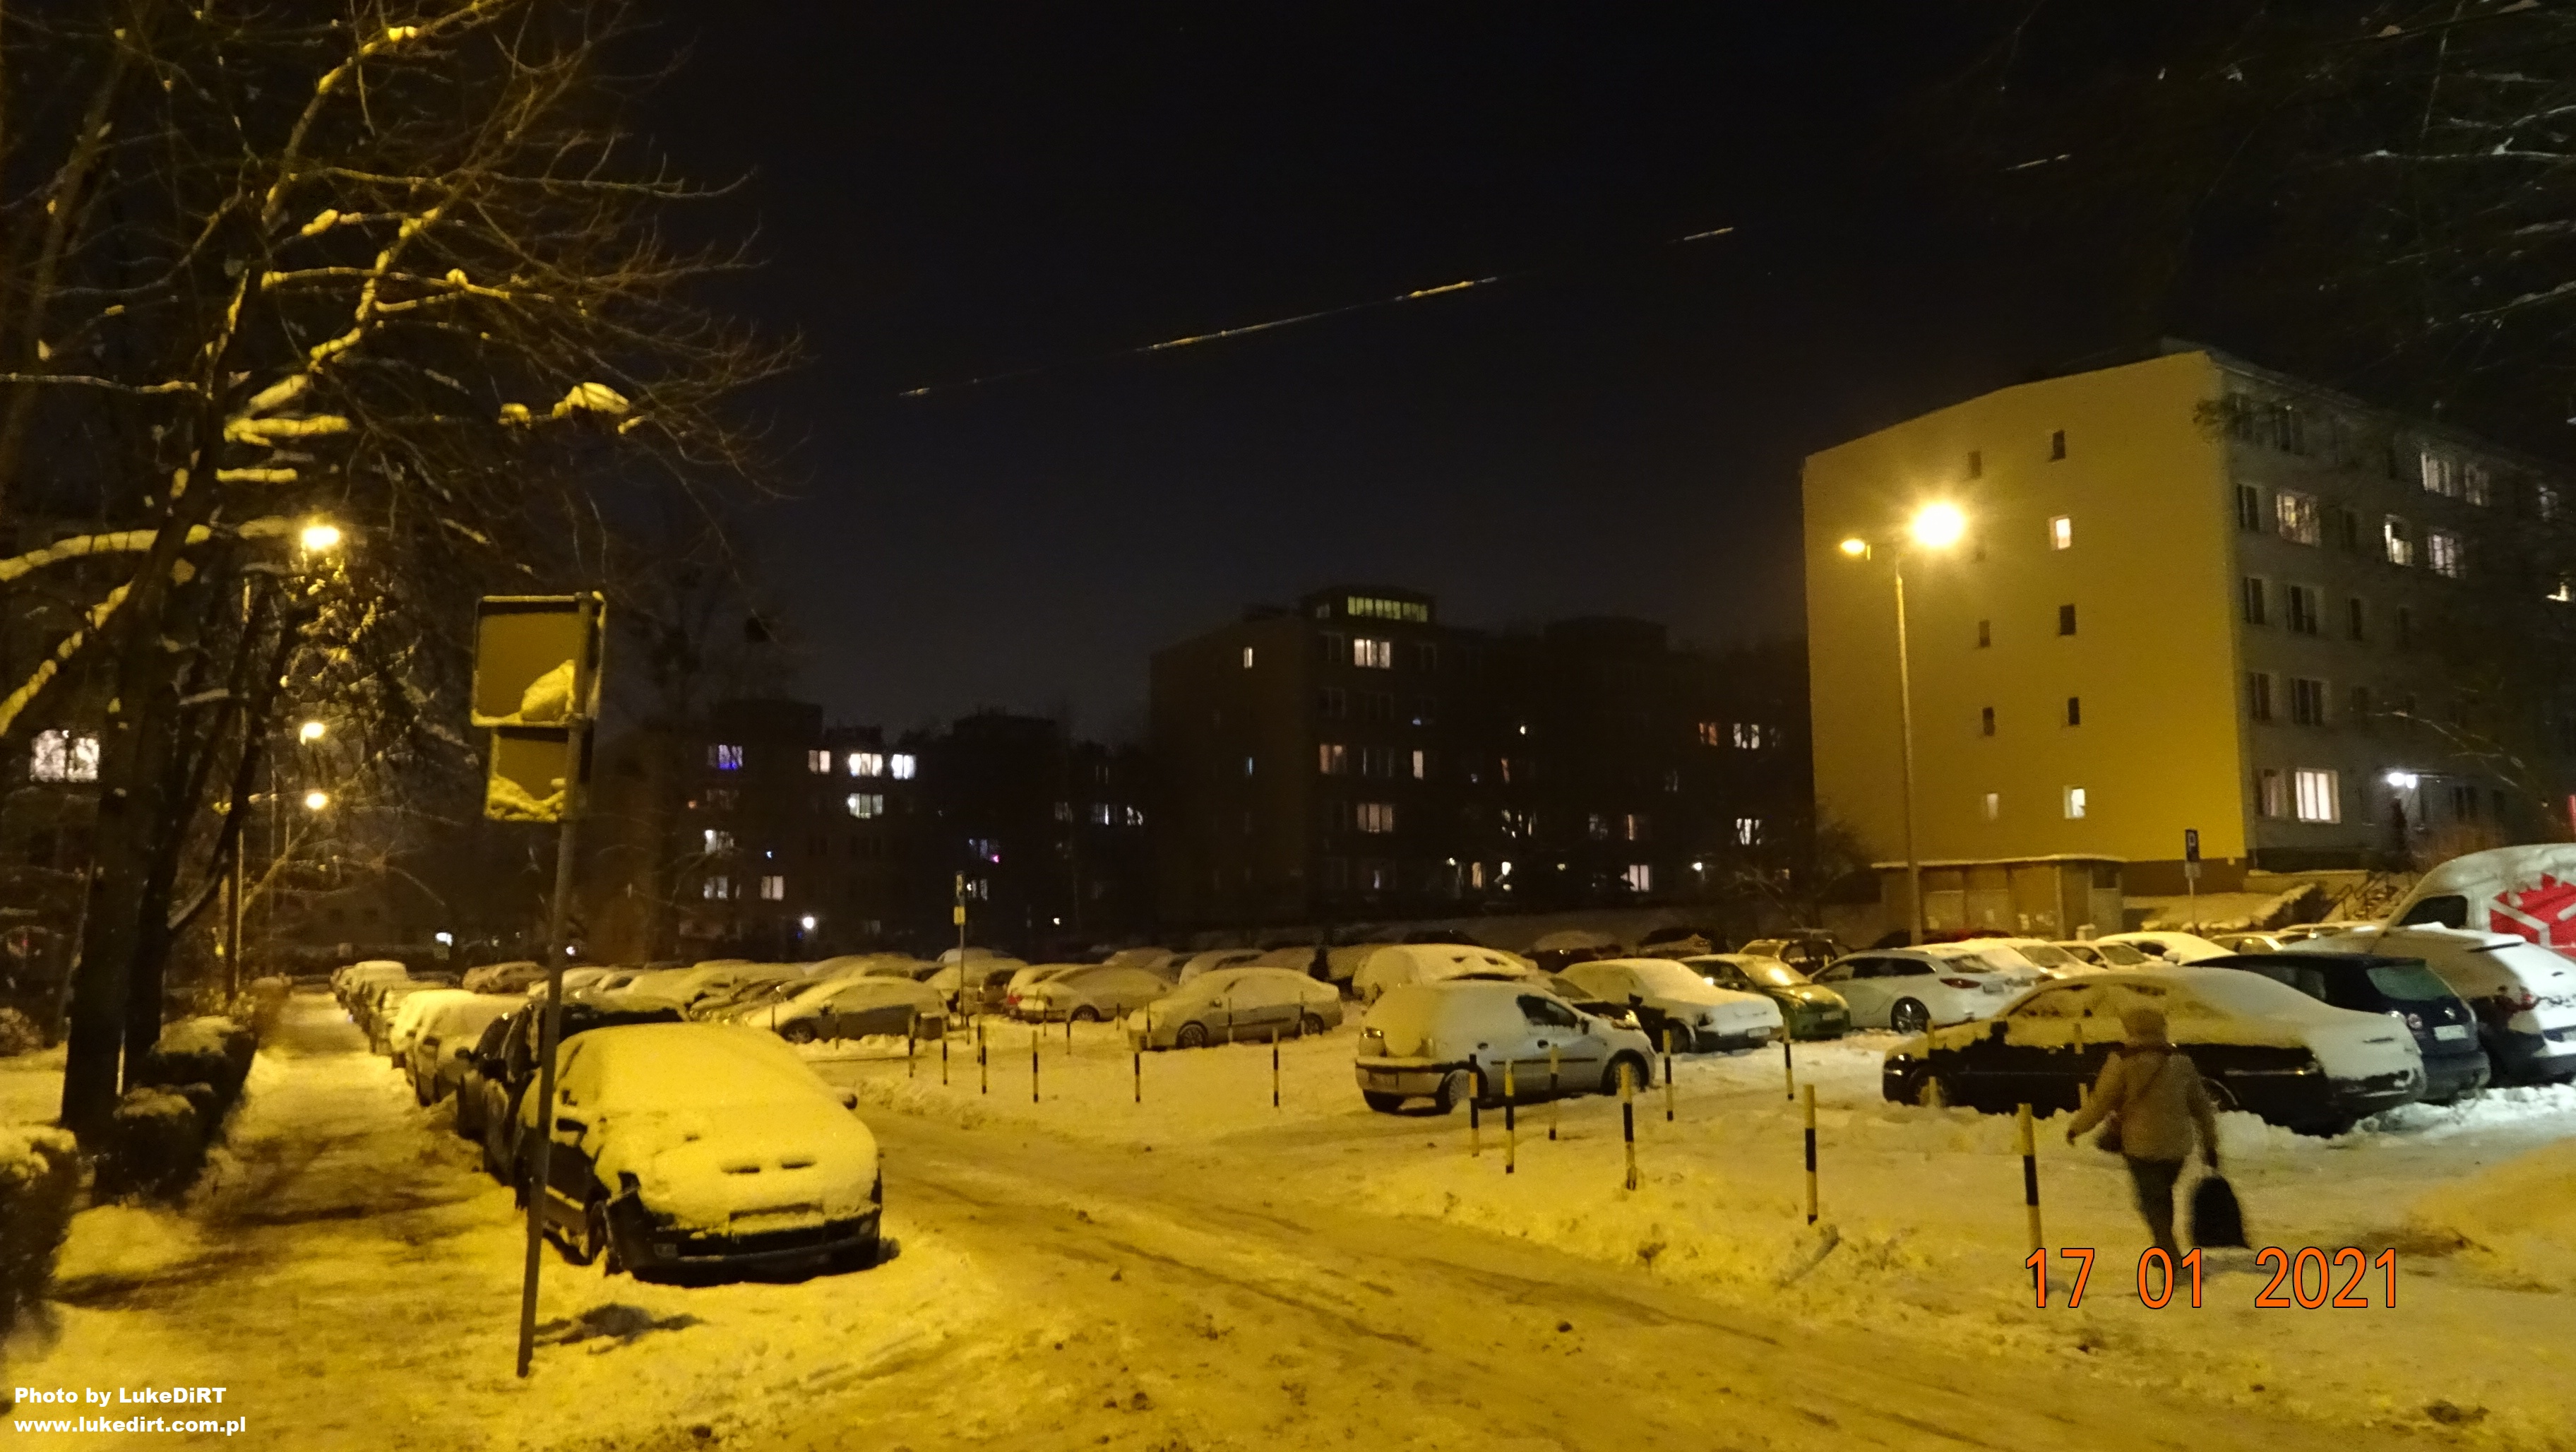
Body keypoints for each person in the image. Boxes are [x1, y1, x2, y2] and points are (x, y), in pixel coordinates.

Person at [2063, 1005, 2220, 1262]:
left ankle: (2170, 1256)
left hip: (2140, 1145)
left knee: (2150, 1201)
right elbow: (2202, 1107)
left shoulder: (2122, 1061)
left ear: (2131, 1029)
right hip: (2177, 1146)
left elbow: (2101, 1101)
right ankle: (2162, 1249)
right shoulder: (2181, 1061)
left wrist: (2077, 1127)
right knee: (2161, 1195)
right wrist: (2210, 1144)